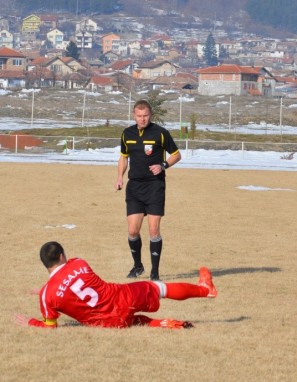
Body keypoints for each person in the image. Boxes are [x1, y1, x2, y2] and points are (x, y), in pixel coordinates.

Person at [16, 241, 217, 329]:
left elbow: (50, 325)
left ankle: (164, 324)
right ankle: (205, 290)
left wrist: (31, 322)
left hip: (107, 324)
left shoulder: (47, 296)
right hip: (123, 299)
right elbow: (71, 281)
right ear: (62, 256)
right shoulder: (78, 262)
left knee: (137, 321)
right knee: (158, 288)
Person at [115, 99, 181, 281]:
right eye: (139, 116)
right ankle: (138, 266)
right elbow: (123, 157)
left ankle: (155, 272)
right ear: (134, 115)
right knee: (133, 231)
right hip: (134, 187)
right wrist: (120, 177)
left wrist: (163, 165)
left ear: (150, 115)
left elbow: (176, 154)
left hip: (155, 187)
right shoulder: (127, 133)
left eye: (145, 116)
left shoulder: (160, 133)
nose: (142, 119)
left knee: (153, 231)